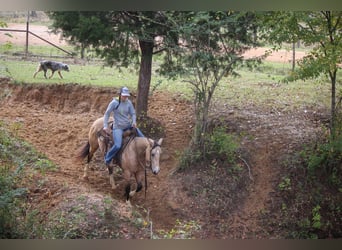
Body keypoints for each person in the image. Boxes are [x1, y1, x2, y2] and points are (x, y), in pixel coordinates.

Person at [103, 86, 144, 165]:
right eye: (124, 95)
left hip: (128, 125)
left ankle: (151, 149)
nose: (125, 97)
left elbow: (133, 113)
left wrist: (134, 121)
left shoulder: (129, 103)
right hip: (118, 127)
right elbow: (107, 114)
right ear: (120, 94)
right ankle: (107, 158)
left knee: (143, 138)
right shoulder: (114, 102)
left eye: (127, 96)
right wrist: (105, 126)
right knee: (118, 145)